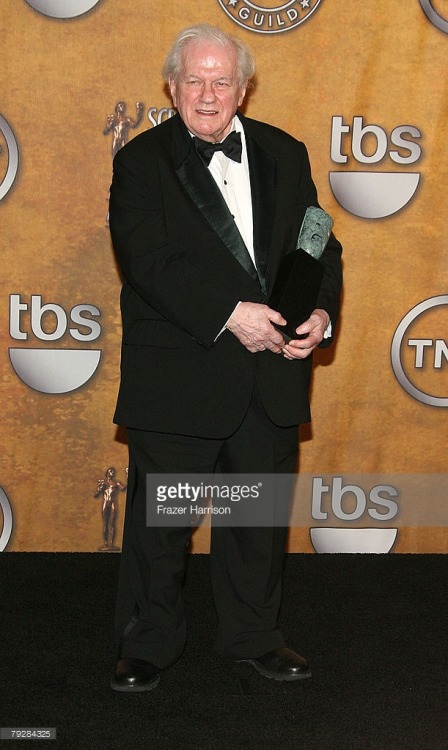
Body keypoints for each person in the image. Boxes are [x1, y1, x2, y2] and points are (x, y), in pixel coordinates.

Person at [108, 23, 342, 693]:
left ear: (244, 88)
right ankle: (148, 641)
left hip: (270, 376)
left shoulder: (285, 152)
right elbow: (149, 261)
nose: (207, 94)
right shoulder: (141, 161)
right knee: (163, 522)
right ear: (172, 87)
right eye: (194, 81)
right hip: (180, 373)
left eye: (220, 81)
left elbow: (318, 243)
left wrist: (320, 315)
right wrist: (232, 317)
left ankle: (253, 635)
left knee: (255, 520)